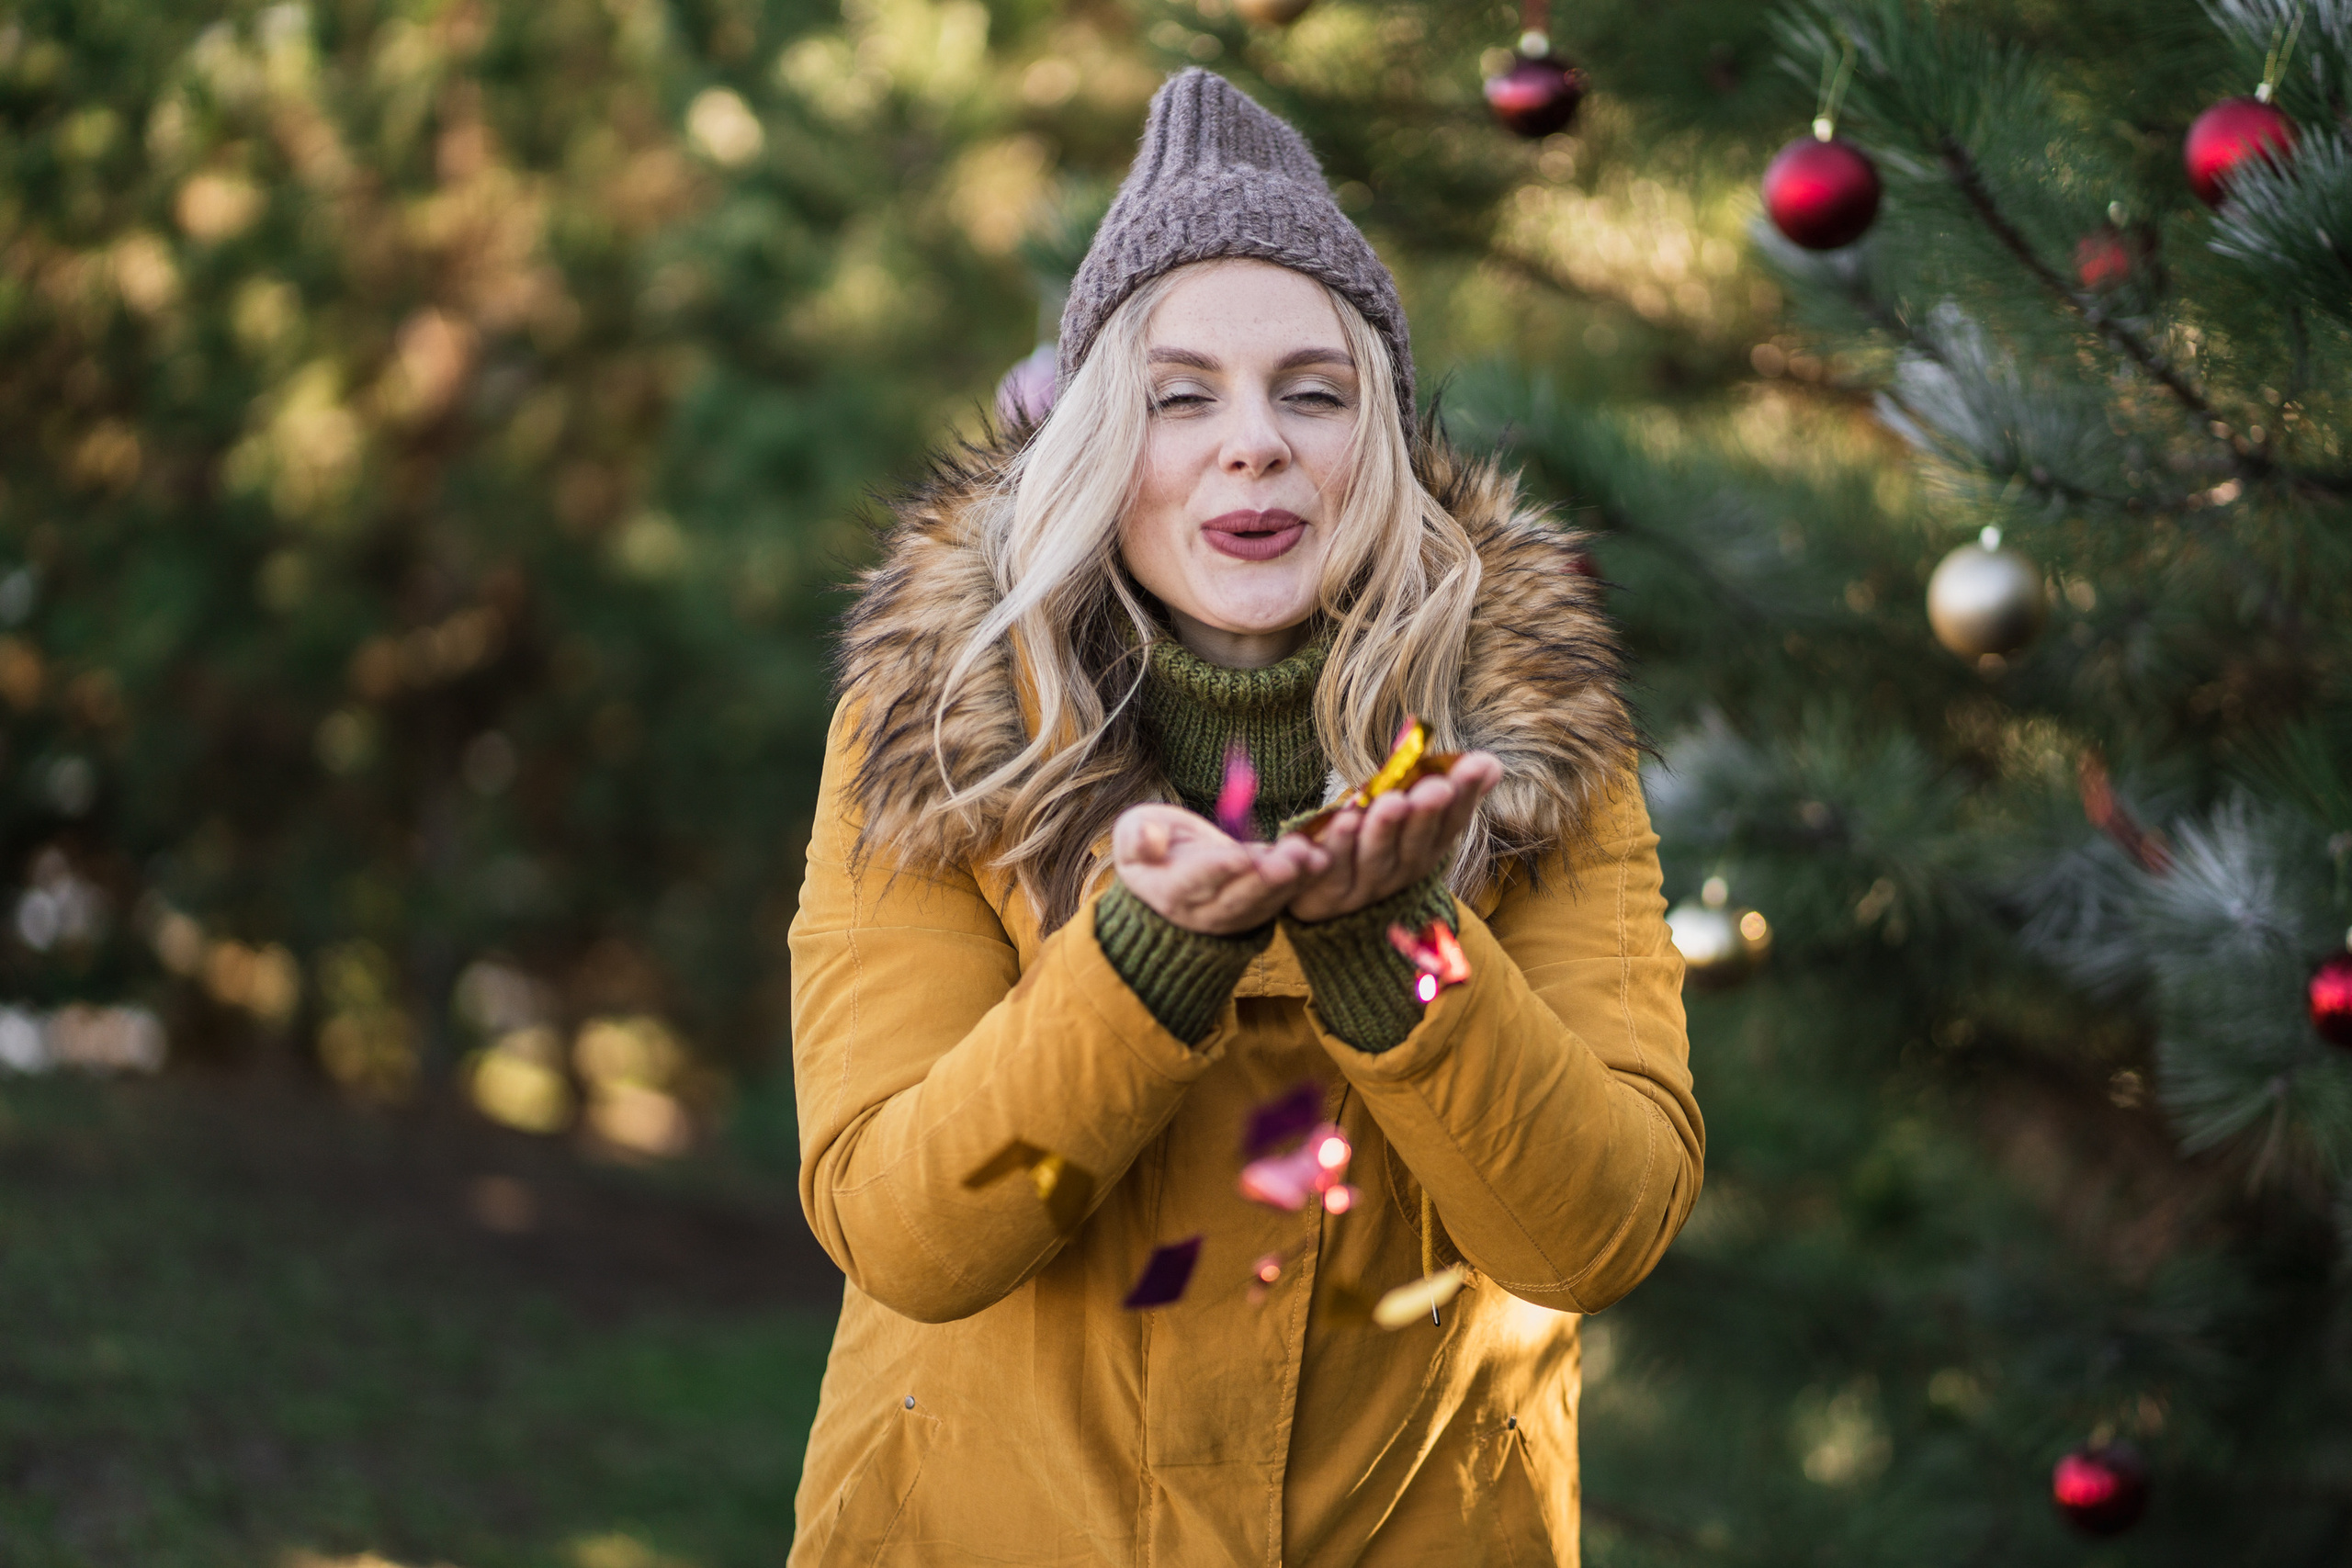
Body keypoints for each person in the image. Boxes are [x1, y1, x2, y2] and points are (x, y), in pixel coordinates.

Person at [787, 69, 1702, 1567]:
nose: (1256, 443)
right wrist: (1138, 964)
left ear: (1380, 442)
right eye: (1181, 394)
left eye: (1314, 392)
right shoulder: (939, 736)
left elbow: (1597, 1233)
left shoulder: (1535, 750)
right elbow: (905, 1232)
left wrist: (1398, 944)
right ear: (1100, 441)